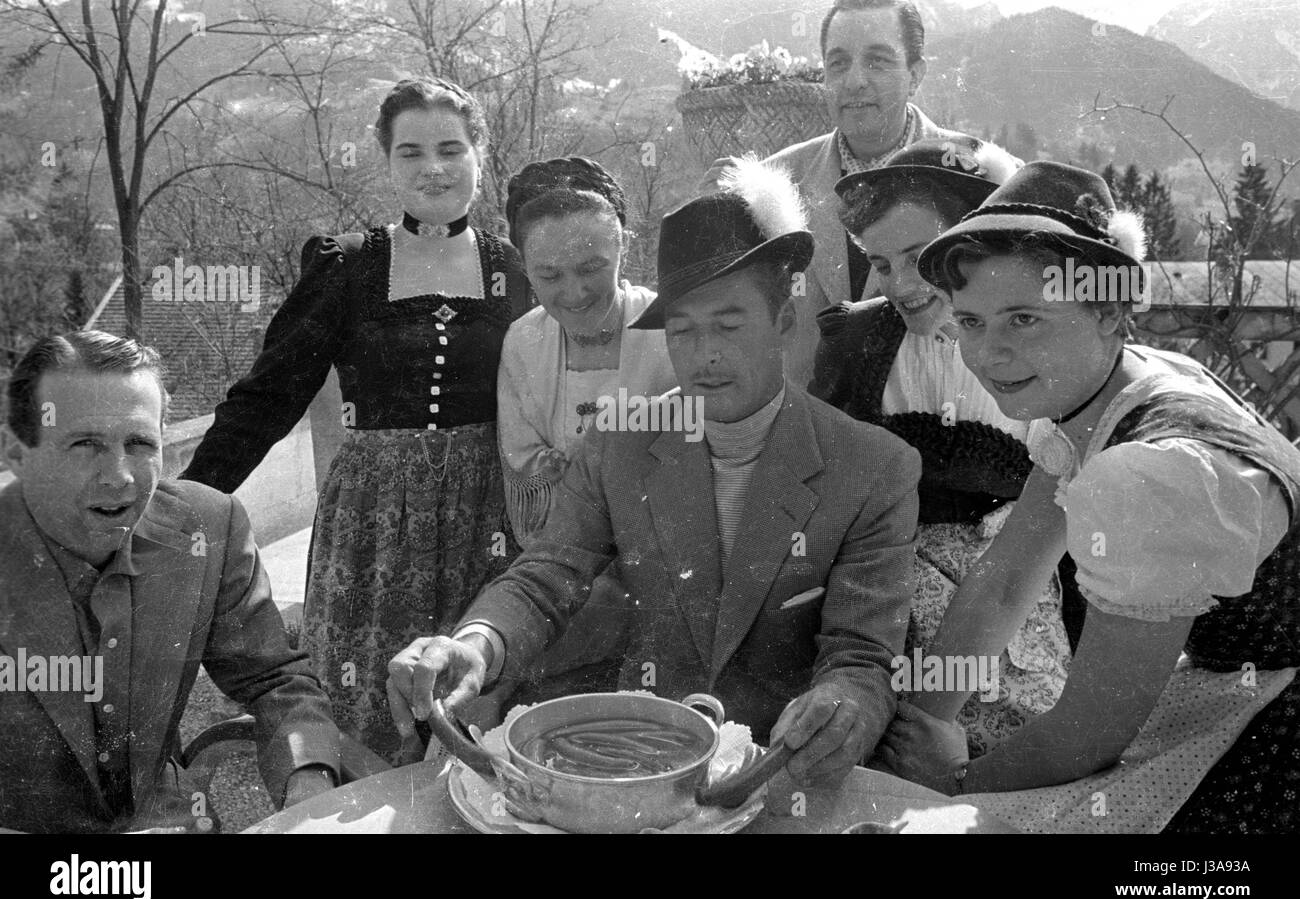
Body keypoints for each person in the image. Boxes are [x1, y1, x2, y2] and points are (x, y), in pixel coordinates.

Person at [387, 156, 922, 789]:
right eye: (684, 330)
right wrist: (475, 643)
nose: (706, 354)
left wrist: (845, 708)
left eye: (728, 324)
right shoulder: (620, 440)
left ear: (781, 321)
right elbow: (544, 578)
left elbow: (863, 656)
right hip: (639, 770)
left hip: (785, 777)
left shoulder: (875, 467)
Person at [874, 162, 1300, 834]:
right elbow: (1009, 578)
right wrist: (923, 722)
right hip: (1231, 680)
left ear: (1107, 310)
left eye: (1024, 318)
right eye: (973, 322)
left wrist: (955, 782)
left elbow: (1090, 732)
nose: (991, 353)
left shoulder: (1153, 474)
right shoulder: (1104, 388)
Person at [182, 78, 527, 762]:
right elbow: (267, 398)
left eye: (451, 148)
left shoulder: (510, 269)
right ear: (387, 161)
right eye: (411, 152)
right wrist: (184, 506)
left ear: (480, 155)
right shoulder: (348, 265)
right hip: (374, 525)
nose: (433, 167)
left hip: (482, 517)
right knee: (369, 712)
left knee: (471, 707)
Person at [0, 332, 340, 834]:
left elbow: (274, 680)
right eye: (84, 444)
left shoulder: (208, 526)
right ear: (17, 454)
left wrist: (308, 792)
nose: (118, 477)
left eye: (138, 444)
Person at [812, 136, 1069, 757]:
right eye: (879, 262)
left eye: (918, 256)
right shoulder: (855, 344)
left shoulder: (1044, 349)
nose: (901, 284)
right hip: (885, 597)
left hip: (1015, 590)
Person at [701, 0, 964, 387]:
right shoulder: (774, 182)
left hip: (944, 427)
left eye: (877, 61)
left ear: (916, 74)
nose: (855, 80)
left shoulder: (975, 173)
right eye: (838, 63)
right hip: (810, 432)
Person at [493, 157, 676, 705]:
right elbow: (526, 465)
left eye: (593, 267)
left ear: (625, 250)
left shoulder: (669, 325)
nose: (573, 292)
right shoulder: (523, 342)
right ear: (526, 270)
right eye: (549, 275)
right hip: (566, 555)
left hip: (663, 558)